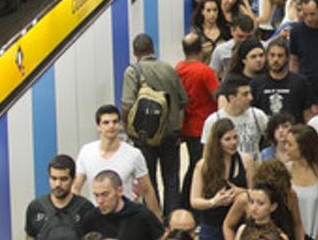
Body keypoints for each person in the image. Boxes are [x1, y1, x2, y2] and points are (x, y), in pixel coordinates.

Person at [121, 34, 190, 214]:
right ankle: (173, 219)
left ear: (134, 51)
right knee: (172, 178)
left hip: (144, 137)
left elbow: (127, 104)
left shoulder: (133, 72)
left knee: (148, 180)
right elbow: (183, 100)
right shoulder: (169, 69)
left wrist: (129, 131)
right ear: (153, 49)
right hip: (170, 134)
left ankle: (154, 219)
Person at [22, 155, 96, 240]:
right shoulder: (35, 208)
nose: (57, 184)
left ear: (73, 179)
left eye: (63, 179)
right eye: (53, 178)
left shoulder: (86, 209)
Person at [73, 105, 162, 220]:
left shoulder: (134, 154)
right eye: (106, 122)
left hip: (126, 217)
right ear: (98, 127)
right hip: (96, 217)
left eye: (115, 122)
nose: (111, 126)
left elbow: (147, 190)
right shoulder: (86, 151)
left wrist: (158, 220)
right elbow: (76, 188)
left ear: (120, 125)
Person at [82, 171, 165, 240]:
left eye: (105, 194)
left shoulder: (141, 215)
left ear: (119, 191)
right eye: (96, 195)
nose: (100, 201)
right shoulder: (91, 219)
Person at [191, 117, 253, 240]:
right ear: (217, 141)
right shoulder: (203, 165)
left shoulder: (246, 160)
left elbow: (255, 193)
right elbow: (194, 200)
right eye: (227, 139)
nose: (233, 143)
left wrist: (241, 192)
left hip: (238, 224)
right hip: (212, 225)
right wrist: (213, 202)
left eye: (235, 137)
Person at [177, 32, 220, 201]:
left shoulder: (178, 69)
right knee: (200, 165)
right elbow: (217, 95)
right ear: (201, 49)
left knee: (194, 163)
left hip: (186, 126)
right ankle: (190, 199)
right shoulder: (205, 71)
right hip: (203, 127)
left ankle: (185, 199)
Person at [202, 75, 270, 158]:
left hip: (253, 168)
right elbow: (207, 153)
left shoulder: (257, 115)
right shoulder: (214, 120)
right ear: (232, 98)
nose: (250, 98)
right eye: (245, 94)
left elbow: (272, 138)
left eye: (250, 93)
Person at [252, 39, 312, 123]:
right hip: (266, 134)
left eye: (280, 56)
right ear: (267, 57)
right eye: (272, 55)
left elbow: (307, 115)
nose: (276, 59)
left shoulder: (300, 82)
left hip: (293, 133)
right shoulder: (256, 84)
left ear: (287, 58)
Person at [192, 0, 230, 64]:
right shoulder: (196, 33)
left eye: (215, 10)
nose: (212, 14)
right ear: (202, 11)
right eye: (208, 10)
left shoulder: (226, 30)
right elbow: (192, 59)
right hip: (203, 71)